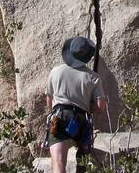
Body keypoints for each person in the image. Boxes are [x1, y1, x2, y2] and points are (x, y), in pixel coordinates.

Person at [45, 36, 106, 173]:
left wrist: (52, 112)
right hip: (80, 118)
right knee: (83, 159)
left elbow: (49, 99)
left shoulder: (56, 71)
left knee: (59, 162)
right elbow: (100, 107)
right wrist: (87, 106)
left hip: (59, 116)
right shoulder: (93, 77)